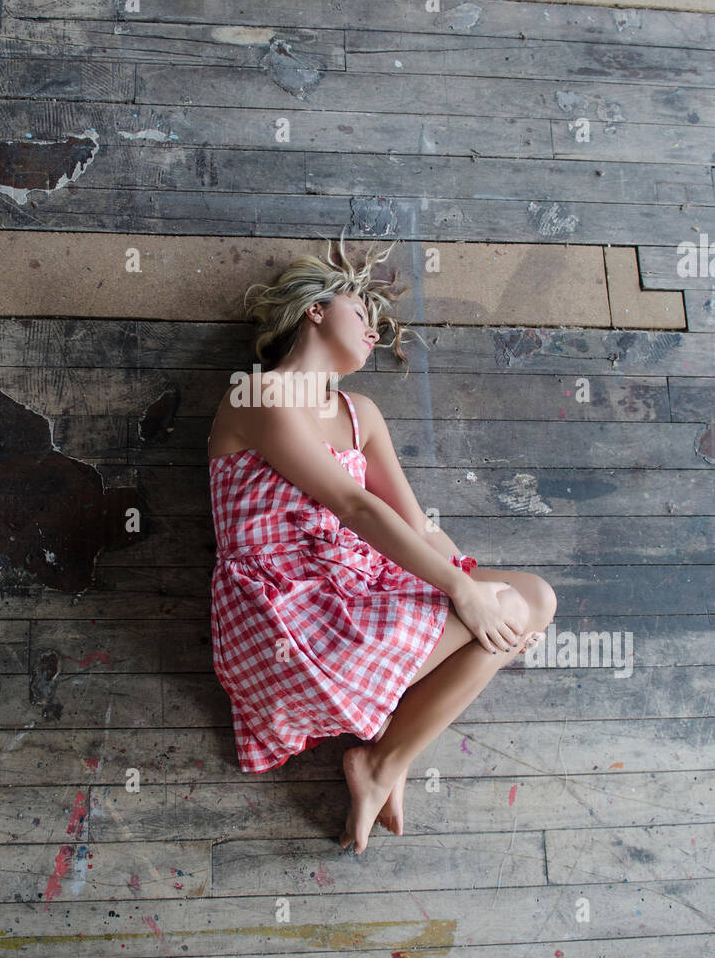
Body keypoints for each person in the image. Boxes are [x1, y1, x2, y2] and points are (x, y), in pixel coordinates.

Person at [208, 230, 557, 855]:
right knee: (497, 607)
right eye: (361, 312)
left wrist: (469, 584)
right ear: (315, 309)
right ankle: (382, 761)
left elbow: (416, 524)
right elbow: (352, 503)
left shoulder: (360, 412)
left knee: (534, 600)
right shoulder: (256, 393)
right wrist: (462, 592)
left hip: (355, 594)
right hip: (286, 619)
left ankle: (385, 760)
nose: (374, 330)